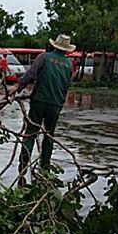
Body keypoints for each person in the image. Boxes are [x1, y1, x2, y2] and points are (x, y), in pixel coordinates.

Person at [9, 34, 75, 175]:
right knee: (49, 134)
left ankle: (23, 162)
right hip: (55, 104)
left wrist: (17, 87)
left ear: (54, 45)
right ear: (66, 49)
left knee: (31, 132)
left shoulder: (44, 58)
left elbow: (30, 75)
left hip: (39, 101)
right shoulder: (69, 65)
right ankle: (44, 166)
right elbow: (66, 87)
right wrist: (60, 103)